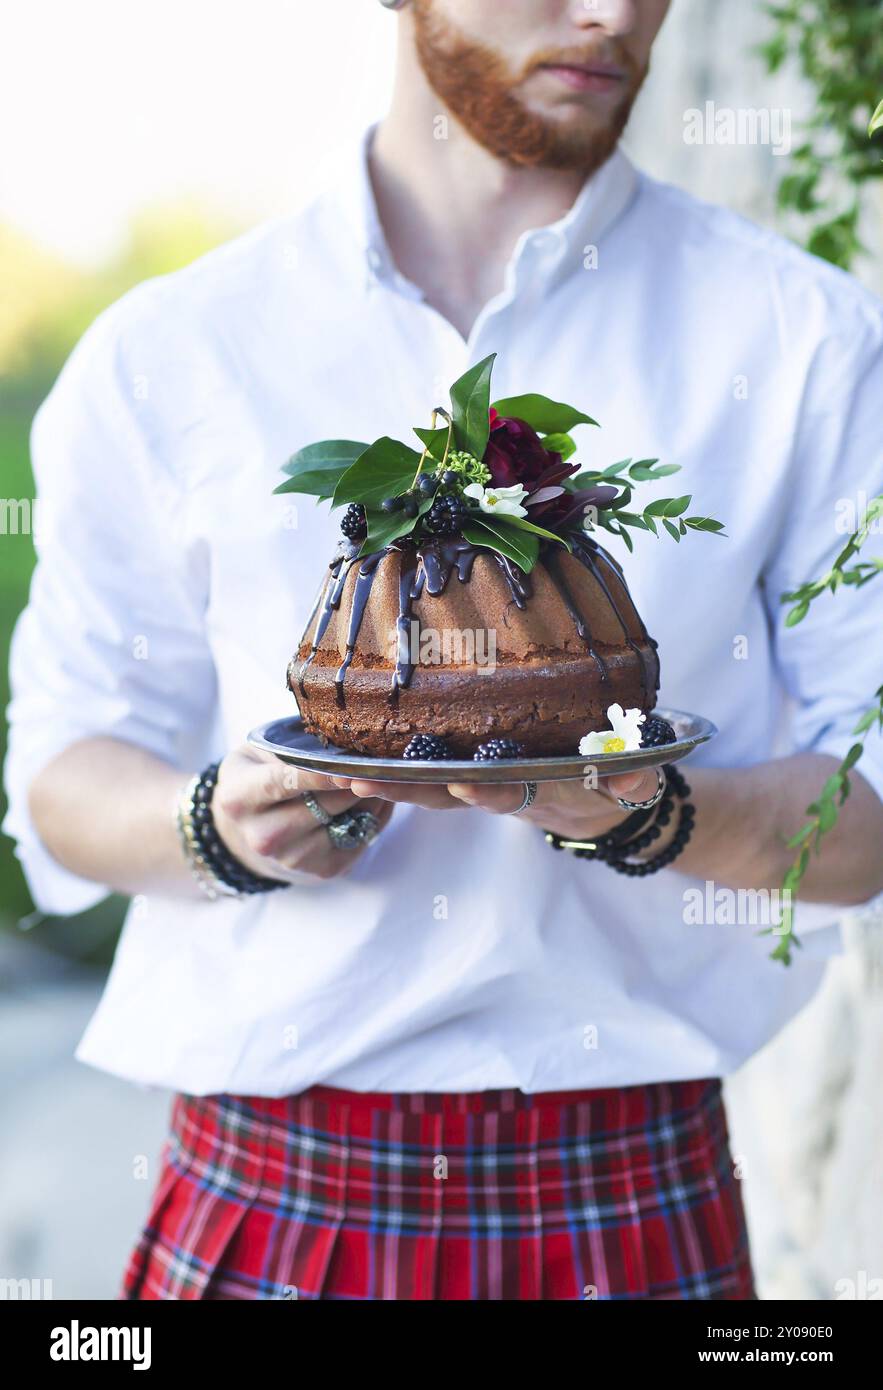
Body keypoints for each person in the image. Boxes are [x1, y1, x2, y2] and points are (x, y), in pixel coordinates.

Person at [5, 0, 883, 1302]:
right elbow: (61, 783)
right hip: (271, 1181)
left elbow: (869, 815)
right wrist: (216, 825)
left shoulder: (804, 341)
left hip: (632, 1186)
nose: (614, 14)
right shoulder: (171, 351)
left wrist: (654, 814)